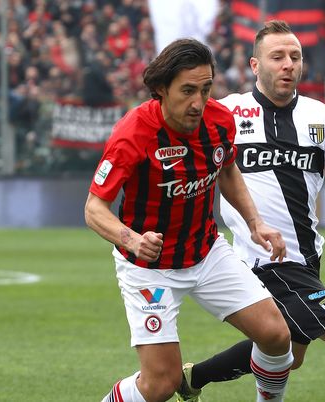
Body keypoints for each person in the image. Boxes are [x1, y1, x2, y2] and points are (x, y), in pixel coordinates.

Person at [176, 21, 325, 402]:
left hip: (307, 258)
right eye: (277, 57)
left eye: (295, 57)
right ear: (256, 66)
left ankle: (193, 378)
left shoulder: (316, 115)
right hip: (265, 260)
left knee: (290, 353)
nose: (288, 64)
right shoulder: (226, 113)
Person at [85, 38, 294, 402]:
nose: (198, 102)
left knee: (277, 336)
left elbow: (226, 169)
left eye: (206, 88)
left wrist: (255, 222)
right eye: (187, 91)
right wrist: (131, 239)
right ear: (161, 90)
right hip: (149, 268)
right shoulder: (132, 133)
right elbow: (93, 208)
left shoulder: (219, 121)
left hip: (206, 251)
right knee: (160, 385)